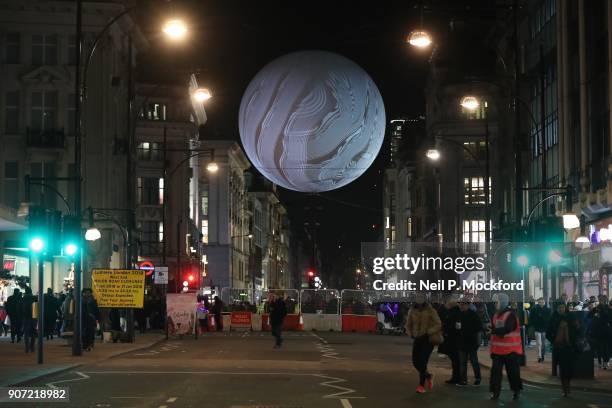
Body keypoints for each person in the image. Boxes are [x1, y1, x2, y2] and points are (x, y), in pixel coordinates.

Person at [405, 294, 442, 394]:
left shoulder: (431, 310)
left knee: (422, 361)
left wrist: (429, 332)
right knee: (415, 361)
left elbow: (438, 324)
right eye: (418, 297)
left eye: (421, 297)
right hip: (417, 338)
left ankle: (421, 385)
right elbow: (408, 325)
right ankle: (428, 376)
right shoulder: (412, 310)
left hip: (428, 339)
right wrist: (410, 333)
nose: (419, 299)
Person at [489, 293, 523, 401]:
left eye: (496, 302)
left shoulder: (511, 315)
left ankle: (516, 391)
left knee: (513, 373)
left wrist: (493, 331)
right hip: (498, 351)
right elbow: (496, 330)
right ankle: (495, 392)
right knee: (495, 374)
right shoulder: (495, 315)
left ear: (502, 302)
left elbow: (508, 328)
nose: (495, 304)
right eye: (494, 302)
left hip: (511, 351)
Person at [547, 302, 579, 397]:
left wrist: (576, 328)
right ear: (557, 309)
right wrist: (554, 340)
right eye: (559, 307)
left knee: (570, 369)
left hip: (570, 347)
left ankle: (567, 385)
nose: (561, 309)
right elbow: (548, 333)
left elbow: (577, 330)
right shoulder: (553, 318)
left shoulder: (571, 317)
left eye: (563, 307)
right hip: (559, 348)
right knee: (563, 369)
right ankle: (565, 388)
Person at [457, 300, 483, 386]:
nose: (461, 306)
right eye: (460, 304)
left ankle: (477, 378)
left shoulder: (473, 315)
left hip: (471, 342)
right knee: (463, 362)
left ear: (468, 305)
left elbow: (479, 328)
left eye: (463, 304)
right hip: (462, 342)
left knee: (474, 361)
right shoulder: (459, 315)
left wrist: (478, 342)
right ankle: (463, 380)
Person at [588, 295, 611, 369]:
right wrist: (592, 310)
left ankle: (606, 361)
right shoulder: (597, 307)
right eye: (600, 299)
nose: (601, 300)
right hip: (597, 331)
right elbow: (589, 315)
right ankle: (600, 362)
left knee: (606, 347)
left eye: (603, 299)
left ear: (606, 299)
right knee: (598, 347)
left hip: (606, 331)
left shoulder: (608, 308)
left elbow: (609, 318)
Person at [442, 298, 462, 384]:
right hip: (452, 339)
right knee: (455, 360)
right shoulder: (453, 312)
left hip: (453, 339)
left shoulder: (454, 313)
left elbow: (454, 326)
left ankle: (456, 377)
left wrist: (446, 330)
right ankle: (456, 377)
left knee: (455, 360)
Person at [530, 297, 551, 363]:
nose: (541, 303)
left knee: (544, 344)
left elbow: (549, 319)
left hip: (544, 329)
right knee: (539, 343)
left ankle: (542, 355)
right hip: (537, 328)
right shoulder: (534, 309)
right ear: (538, 302)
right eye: (540, 302)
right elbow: (531, 318)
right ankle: (539, 356)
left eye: (542, 302)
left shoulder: (548, 310)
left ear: (544, 302)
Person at [21, 287, 37, 353]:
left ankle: (27, 347)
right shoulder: (35, 298)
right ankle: (32, 347)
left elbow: (20, 308)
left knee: (26, 333)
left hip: (25, 317)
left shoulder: (23, 299)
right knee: (33, 332)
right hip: (33, 317)